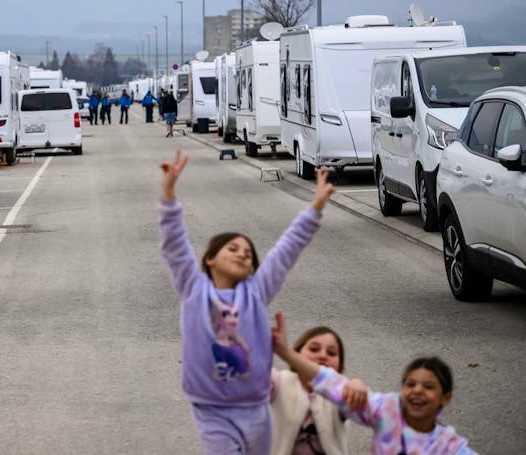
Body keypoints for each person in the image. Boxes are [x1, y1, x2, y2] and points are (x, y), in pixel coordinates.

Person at [158, 150, 336, 455]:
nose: (242, 254)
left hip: (256, 407)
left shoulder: (255, 293)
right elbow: (175, 246)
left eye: (249, 254)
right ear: (210, 259)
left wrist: (315, 207)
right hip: (212, 410)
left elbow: (286, 251)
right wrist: (169, 195)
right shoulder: (194, 289)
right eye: (233, 249)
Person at [272, 314, 476, 455]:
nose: (417, 391)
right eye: (410, 384)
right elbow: (330, 383)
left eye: (429, 387)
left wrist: (356, 383)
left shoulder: (448, 446)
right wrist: (285, 352)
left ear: (445, 397)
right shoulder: (387, 411)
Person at [270, 325, 364, 455]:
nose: (323, 355)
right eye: (314, 349)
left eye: (331, 353)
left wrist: (357, 384)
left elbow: (357, 404)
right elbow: (255, 380)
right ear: (296, 354)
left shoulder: (337, 395)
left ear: (340, 366)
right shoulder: (279, 381)